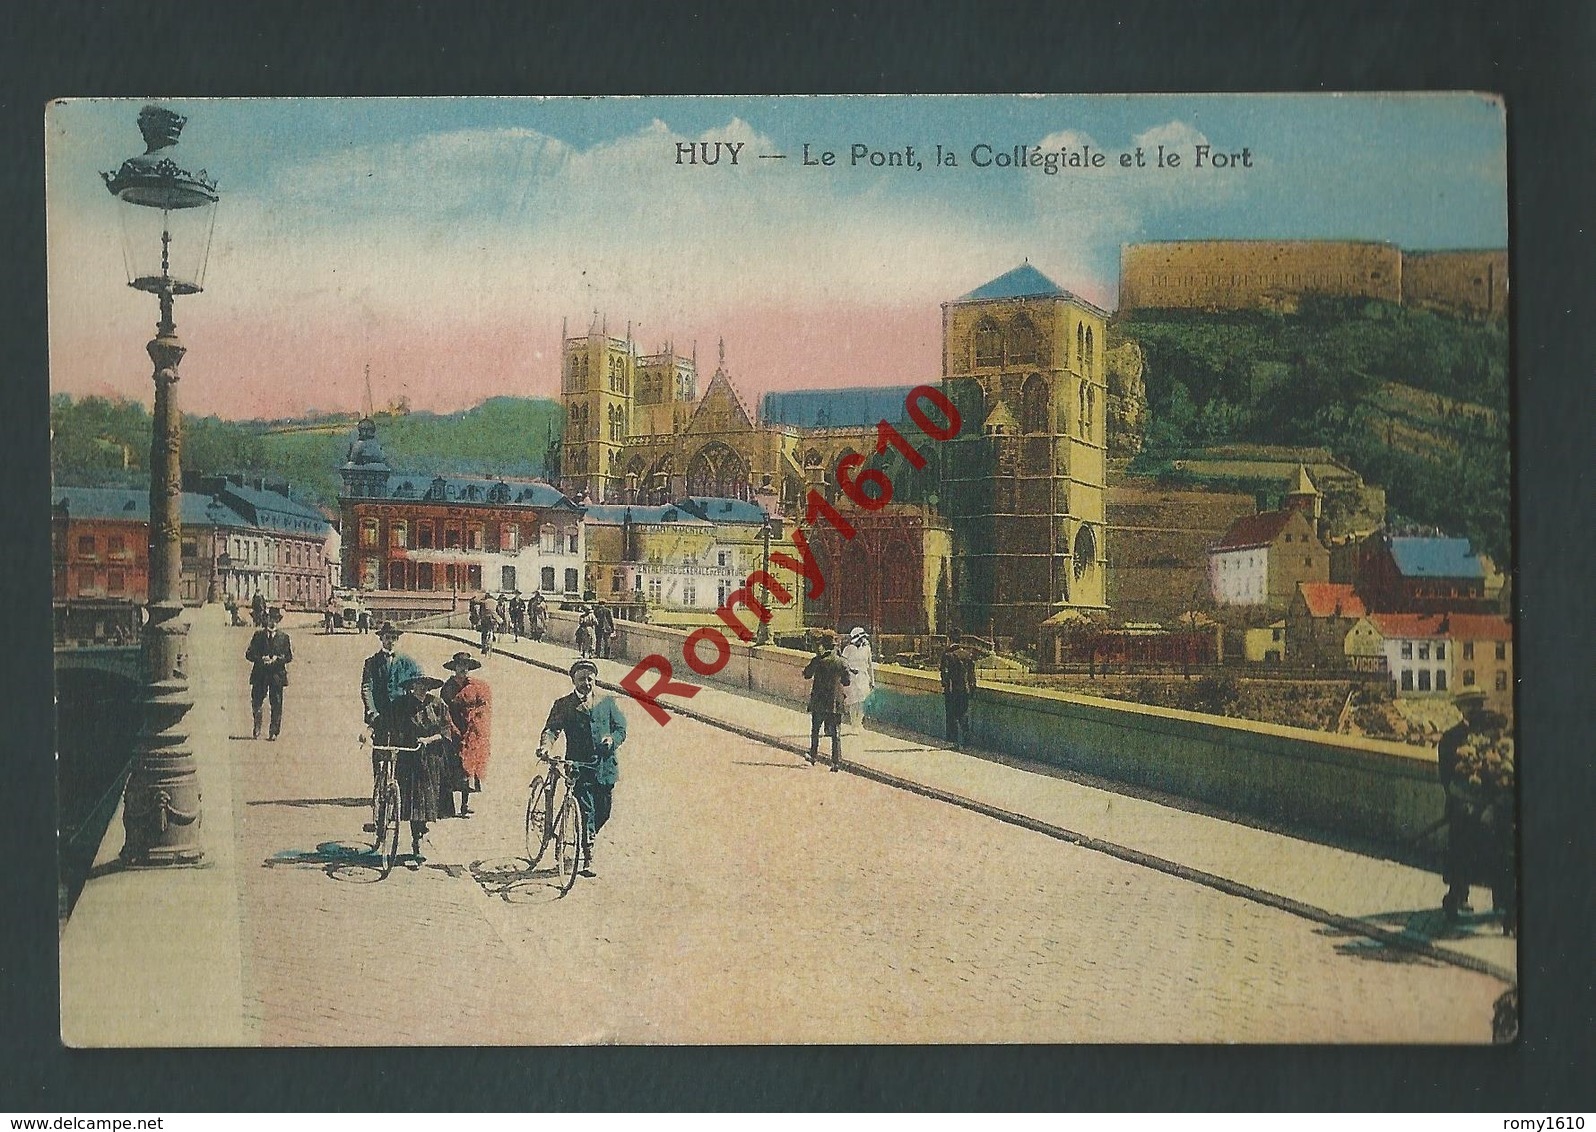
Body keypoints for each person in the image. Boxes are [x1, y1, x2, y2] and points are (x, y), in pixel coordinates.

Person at [536, 659, 627, 877]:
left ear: (595, 679)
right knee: (587, 810)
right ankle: (588, 856)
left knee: (603, 811)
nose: (586, 683)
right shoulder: (564, 705)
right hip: (578, 767)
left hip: (605, 766)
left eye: (590, 679)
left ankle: (586, 836)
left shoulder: (607, 703)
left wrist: (612, 740)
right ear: (573, 681)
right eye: (581, 679)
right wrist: (545, 747)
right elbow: (551, 730)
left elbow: (621, 728)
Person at [1436, 690, 1516, 934]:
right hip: (1463, 806)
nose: (1474, 709)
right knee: (1462, 853)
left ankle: (1503, 902)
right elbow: (1448, 779)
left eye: (1477, 705)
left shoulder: (1491, 736)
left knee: (1501, 854)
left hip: (1492, 808)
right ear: (1461, 709)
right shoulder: (1450, 739)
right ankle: (1457, 897)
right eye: (1470, 705)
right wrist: (1471, 799)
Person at [379, 673, 452, 866]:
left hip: (431, 759)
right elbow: (385, 722)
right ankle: (417, 840)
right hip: (409, 758)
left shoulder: (438, 704)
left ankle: (421, 832)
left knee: (427, 802)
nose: (421, 688)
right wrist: (370, 733)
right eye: (418, 685)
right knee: (413, 802)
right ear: (412, 686)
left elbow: (446, 731)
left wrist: (428, 740)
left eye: (425, 685)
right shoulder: (401, 704)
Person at [441, 651, 492, 818]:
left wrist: (476, 719)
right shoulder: (448, 688)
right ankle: (448, 805)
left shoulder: (475, 686)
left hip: (471, 729)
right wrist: (453, 729)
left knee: (468, 766)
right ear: (454, 668)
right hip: (453, 728)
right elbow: (445, 710)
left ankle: (465, 804)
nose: (463, 670)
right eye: (460, 666)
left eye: (466, 667)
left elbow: (482, 705)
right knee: (452, 765)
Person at [802, 631, 851, 771]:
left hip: (819, 700)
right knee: (836, 733)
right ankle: (836, 762)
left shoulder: (818, 660)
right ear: (836, 646)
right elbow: (847, 681)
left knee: (815, 730)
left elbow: (806, 674)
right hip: (835, 702)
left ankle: (813, 755)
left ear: (823, 645)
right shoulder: (842, 662)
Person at [245, 607, 294, 740]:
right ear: (266, 619)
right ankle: (257, 725)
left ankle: (274, 731)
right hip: (260, 673)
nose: (273, 622)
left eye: (276, 620)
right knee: (256, 702)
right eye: (270, 619)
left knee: (276, 703)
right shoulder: (258, 636)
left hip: (276, 675)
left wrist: (277, 659)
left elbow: (289, 656)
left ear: (278, 622)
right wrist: (260, 658)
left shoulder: (284, 638)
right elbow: (249, 654)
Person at [940, 628, 980, 749]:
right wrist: (972, 688)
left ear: (949, 639)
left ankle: (955, 742)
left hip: (953, 690)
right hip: (965, 690)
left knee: (952, 715)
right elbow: (972, 674)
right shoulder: (967, 655)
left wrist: (946, 687)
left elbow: (945, 675)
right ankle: (966, 737)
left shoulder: (948, 655)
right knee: (963, 712)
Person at [838, 625, 876, 734]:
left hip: (863, 677)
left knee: (862, 701)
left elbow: (870, 665)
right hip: (851, 678)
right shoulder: (848, 649)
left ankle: (859, 723)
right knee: (853, 701)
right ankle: (854, 724)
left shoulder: (867, 648)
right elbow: (843, 663)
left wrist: (872, 680)